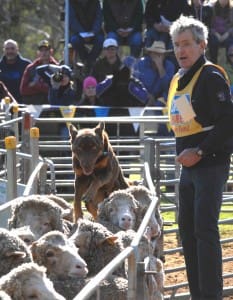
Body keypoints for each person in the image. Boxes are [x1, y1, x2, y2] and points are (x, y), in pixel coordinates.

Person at [167, 15, 233, 299]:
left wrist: (201, 151)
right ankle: (198, 294)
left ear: (202, 45)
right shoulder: (179, 78)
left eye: (187, 44)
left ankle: (211, 296)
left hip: (210, 163)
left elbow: (228, 121)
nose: (181, 50)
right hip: (189, 167)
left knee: (204, 230)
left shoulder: (211, 76)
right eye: (176, 45)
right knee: (188, 231)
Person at [133, 40, 176, 136]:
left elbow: (168, 88)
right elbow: (135, 83)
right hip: (142, 98)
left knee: (161, 106)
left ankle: (163, 139)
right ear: (150, 53)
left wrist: (160, 67)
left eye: (160, 54)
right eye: (155, 53)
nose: (158, 56)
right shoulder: (140, 64)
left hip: (162, 100)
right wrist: (146, 96)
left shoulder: (169, 66)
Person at [69, 0, 105, 71]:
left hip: (95, 32)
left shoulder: (96, 2)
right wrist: (82, 33)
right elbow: (72, 20)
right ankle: (88, 62)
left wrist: (93, 32)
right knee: (74, 40)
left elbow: (99, 18)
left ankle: (88, 63)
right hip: (78, 33)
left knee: (100, 40)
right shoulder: (72, 2)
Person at [20, 40, 58, 105]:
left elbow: (58, 89)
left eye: (46, 50)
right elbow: (23, 90)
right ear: (38, 52)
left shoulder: (57, 67)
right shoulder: (30, 68)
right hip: (34, 105)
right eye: (41, 50)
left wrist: (35, 85)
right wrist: (47, 88)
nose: (44, 53)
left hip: (52, 104)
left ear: (51, 51)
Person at [0, 39, 31, 103]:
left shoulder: (27, 65)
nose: (10, 51)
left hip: (24, 104)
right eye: (7, 49)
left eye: (12, 48)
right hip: (3, 105)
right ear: (4, 50)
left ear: (17, 49)